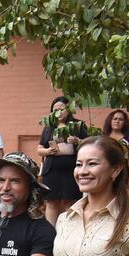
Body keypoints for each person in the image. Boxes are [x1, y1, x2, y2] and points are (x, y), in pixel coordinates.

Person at [37, 96, 88, 225]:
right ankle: (50, 237)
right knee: (51, 202)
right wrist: (48, 151)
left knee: (70, 202)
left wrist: (77, 140)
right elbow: (39, 149)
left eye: (62, 109)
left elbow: (89, 145)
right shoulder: (49, 127)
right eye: (55, 110)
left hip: (72, 169)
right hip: (52, 170)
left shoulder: (78, 125)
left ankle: (70, 233)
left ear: (69, 110)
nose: (58, 112)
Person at [102, 109, 129, 190]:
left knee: (119, 199)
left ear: (124, 122)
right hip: (103, 173)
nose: (117, 121)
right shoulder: (102, 138)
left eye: (121, 119)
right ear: (110, 121)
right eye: (115, 119)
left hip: (122, 175)